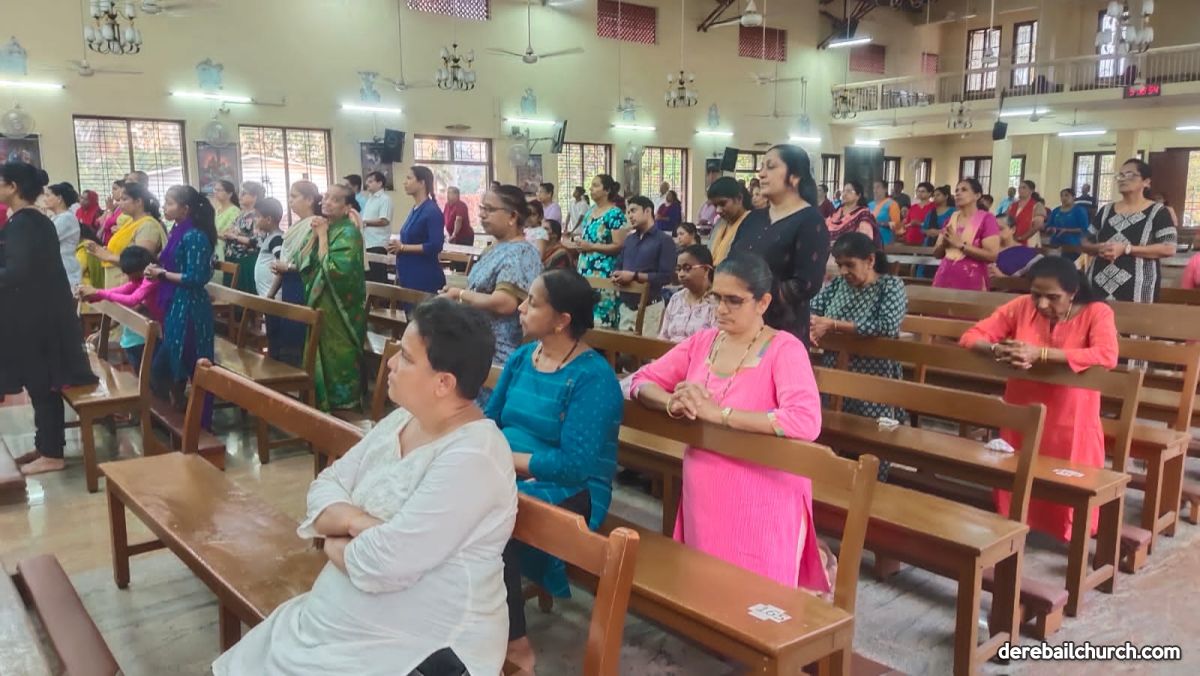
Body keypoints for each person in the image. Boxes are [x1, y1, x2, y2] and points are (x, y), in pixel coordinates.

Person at [213, 299, 518, 676]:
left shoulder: (474, 457)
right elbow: (327, 485)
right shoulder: (403, 421)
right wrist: (358, 523)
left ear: (443, 383)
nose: (390, 363)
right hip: (340, 626)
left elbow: (385, 563)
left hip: (424, 647)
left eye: (406, 358)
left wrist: (335, 540)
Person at [629, 253, 830, 592]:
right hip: (706, 484)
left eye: (734, 300)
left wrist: (718, 414)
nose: (721, 309)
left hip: (763, 491)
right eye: (716, 298)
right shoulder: (703, 342)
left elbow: (804, 420)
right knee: (707, 587)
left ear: (763, 302)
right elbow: (641, 380)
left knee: (758, 593)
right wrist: (671, 402)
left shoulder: (783, 349)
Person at [486, 270, 622, 674]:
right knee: (454, 495)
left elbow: (574, 466)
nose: (521, 308)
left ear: (562, 320)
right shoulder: (521, 358)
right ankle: (467, 616)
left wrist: (507, 461)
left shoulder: (592, 378)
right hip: (513, 471)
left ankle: (517, 644)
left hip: (575, 489)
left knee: (489, 515)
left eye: (533, 302)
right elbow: (490, 421)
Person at [959, 256, 1117, 542]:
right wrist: (997, 350)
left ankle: (1070, 529)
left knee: (1067, 471)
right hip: (1023, 405)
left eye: (1053, 297)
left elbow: (1106, 354)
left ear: (1072, 292)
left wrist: (1040, 354)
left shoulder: (1097, 312)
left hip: (1071, 412)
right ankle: (1016, 522)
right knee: (1017, 463)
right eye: (1036, 295)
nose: (1042, 304)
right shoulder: (1021, 306)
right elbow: (972, 336)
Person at [0, 162, 97, 477]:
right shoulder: (28, 221)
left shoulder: (26, 223)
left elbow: (19, 271)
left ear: (13, 187)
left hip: (37, 316)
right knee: (39, 382)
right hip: (37, 312)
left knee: (42, 382)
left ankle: (52, 453)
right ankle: (45, 446)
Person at [810, 232, 907, 438]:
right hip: (835, 365)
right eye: (839, 265)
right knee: (831, 426)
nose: (843, 271)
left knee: (870, 432)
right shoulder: (838, 284)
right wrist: (813, 323)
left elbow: (887, 326)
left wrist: (833, 324)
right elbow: (813, 308)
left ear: (870, 260)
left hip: (873, 372)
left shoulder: (890, 286)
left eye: (849, 264)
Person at [730, 144, 830, 346]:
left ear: (794, 177)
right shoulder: (753, 219)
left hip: (782, 330)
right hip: (739, 323)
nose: (761, 174)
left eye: (771, 167)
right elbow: (732, 262)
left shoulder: (810, 220)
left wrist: (751, 298)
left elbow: (806, 284)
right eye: (761, 167)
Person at [441, 185, 541, 366]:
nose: (482, 215)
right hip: (477, 341)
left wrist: (460, 294)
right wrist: (459, 289)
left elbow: (505, 303)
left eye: (489, 209)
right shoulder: (496, 248)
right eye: (482, 208)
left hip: (499, 351)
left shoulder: (520, 252)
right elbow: (483, 288)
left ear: (512, 216)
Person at [144, 185, 216, 425]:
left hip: (191, 308)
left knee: (196, 363)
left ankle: (201, 424)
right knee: (170, 362)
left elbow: (196, 277)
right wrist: (156, 269)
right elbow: (171, 263)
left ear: (185, 209)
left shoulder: (195, 235)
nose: (165, 207)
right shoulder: (177, 230)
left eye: (170, 203)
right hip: (176, 304)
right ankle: (176, 418)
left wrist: (162, 274)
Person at [302, 185, 367, 412]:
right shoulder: (325, 227)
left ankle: (344, 403)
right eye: (326, 197)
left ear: (347, 207)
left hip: (341, 308)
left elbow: (336, 271)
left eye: (335, 200)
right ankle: (319, 400)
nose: (327, 202)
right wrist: (315, 236)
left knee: (340, 351)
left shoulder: (349, 233)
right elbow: (305, 262)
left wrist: (322, 236)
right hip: (321, 303)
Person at [1083, 159, 1177, 303]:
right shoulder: (1106, 210)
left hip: (1138, 287)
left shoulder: (1157, 211)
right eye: (1120, 175)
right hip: (1098, 284)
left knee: (1134, 318)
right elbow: (1084, 242)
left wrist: (1127, 249)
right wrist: (1098, 248)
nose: (1123, 179)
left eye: (1130, 175)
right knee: (1098, 316)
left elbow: (1169, 248)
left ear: (1146, 182)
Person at [267, 181, 322, 367]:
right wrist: (270, 294)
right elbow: (286, 259)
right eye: (289, 196)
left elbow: (314, 262)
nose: (290, 200)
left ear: (309, 199)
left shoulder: (316, 224)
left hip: (303, 285)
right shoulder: (296, 226)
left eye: (294, 196)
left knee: (298, 332)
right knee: (287, 331)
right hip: (288, 285)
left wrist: (288, 267)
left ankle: (300, 373)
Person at [78, 245, 160, 369]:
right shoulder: (138, 279)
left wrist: (98, 293)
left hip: (157, 333)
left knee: (154, 372)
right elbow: (122, 290)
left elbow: (132, 299)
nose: (128, 278)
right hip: (138, 337)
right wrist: (94, 295)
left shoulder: (151, 278)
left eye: (129, 274)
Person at [613, 195, 677, 335]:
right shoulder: (629, 240)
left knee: (647, 348)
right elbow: (618, 265)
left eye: (633, 210)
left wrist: (634, 276)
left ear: (647, 211)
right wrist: (616, 274)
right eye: (628, 212)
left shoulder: (664, 240)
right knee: (623, 347)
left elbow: (666, 276)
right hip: (626, 307)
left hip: (650, 308)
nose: (630, 216)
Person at [83, 182, 166, 288]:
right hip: (118, 281)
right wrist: (105, 252)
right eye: (120, 200)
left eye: (124, 199)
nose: (119, 203)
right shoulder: (130, 222)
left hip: (132, 286)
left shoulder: (148, 225)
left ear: (138, 201)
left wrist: (108, 256)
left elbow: (141, 262)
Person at [572, 174, 628, 328]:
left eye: (596, 185)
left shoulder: (615, 214)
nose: (591, 189)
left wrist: (592, 247)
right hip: (585, 269)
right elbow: (587, 238)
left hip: (604, 271)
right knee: (585, 316)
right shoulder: (590, 212)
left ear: (607, 190)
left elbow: (619, 245)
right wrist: (580, 245)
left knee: (603, 316)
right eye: (591, 185)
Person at [932, 178, 1001, 291]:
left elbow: (992, 255)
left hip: (972, 279)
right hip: (944, 277)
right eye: (957, 190)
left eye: (964, 190)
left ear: (977, 195)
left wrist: (961, 245)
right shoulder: (950, 219)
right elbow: (936, 254)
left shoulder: (987, 219)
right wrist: (944, 244)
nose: (958, 193)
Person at [386, 167, 444, 292]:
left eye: (409, 178)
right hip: (408, 274)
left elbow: (435, 245)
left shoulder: (432, 211)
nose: (405, 182)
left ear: (422, 183)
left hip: (424, 276)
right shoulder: (415, 209)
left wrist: (402, 247)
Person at [659, 244, 717, 342]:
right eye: (678, 269)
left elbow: (714, 343)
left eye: (687, 268)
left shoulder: (716, 302)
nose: (681, 274)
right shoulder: (676, 298)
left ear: (706, 269)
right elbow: (663, 336)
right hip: (669, 350)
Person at [223, 181, 264, 295]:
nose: (239, 196)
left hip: (246, 260)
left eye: (244, 193)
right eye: (240, 193)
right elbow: (231, 231)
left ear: (254, 197)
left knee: (245, 295)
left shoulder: (257, 216)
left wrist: (235, 237)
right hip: (233, 258)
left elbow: (257, 241)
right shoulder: (241, 214)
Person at [357, 170, 394, 284]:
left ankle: (382, 297)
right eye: (367, 181)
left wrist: (365, 222)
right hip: (367, 243)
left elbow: (384, 220)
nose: (367, 184)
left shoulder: (385, 199)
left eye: (370, 181)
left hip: (378, 244)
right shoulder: (370, 199)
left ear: (380, 183)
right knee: (368, 278)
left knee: (378, 278)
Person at [706, 177, 751, 267]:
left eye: (723, 204)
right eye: (715, 205)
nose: (718, 210)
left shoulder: (752, 224)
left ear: (739, 199)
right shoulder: (720, 223)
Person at [44, 182, 83, 288]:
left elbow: (45, 239)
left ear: (59, 198)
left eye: (48, 195)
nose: (45, 199)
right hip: (58, 268)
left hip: (66, 269)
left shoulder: (66, 218)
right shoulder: (56, 217)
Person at [253, 197, 285, 297]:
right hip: (266, 294)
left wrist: (271, 294)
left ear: (268, 220)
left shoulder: (276, 239)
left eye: (258, 216)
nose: (255, 219)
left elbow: (281, 266)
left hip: (273, 296)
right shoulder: (270, 237)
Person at [1046, 188, 1088, 257]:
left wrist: (1066, 230)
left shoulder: (1079, 210)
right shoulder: (1056, 211)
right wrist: (1050, 229)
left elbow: (1084, 229)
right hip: (1056, 243)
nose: (1064, 198)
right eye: (1061, 196)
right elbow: (1049, 225)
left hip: (1073, 245)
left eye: (1066, 195)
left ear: (1074, 197)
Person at [1006, 180, 1047, 247]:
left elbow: (1038, 225)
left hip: (1029, 240)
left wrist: (1023, 237)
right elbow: (1005, 220)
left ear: (1031, 190)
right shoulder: (1012, 205)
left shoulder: (1037, 205)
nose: (1020, 190)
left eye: (1024, 187)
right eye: (1019, 188)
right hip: (1012, 239)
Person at [211, 179, 241, 262]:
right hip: (213, 246)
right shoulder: (217, 210)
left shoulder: (234, 211)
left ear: (229, 194)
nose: (215, 192)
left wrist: (210, 232)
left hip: (224, 249)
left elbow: (228, 234)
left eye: (219, 190)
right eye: (215, 190)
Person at [868, 180, 900, 244]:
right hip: (870, 240)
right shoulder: (869, 205)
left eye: (878, 187)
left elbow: (896, 224)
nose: (875, 190)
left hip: (885, 241)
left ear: (885, 189)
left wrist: (881, 223)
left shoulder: (892, 204)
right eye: (874, 188)